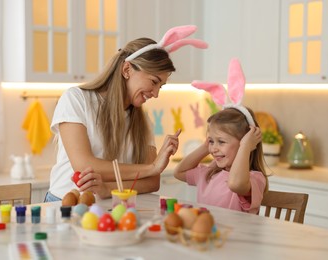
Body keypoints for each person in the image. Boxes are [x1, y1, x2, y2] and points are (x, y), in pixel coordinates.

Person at [45, 25, 208, 202]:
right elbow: (84, 165)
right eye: (153, 82)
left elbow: (152, 183)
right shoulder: (76, 100)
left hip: (110, 208)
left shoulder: (142, 119)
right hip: (64, 205)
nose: (156, 93)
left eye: (160, 86)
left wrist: (108, 189)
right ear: (127, 70)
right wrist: (152, 167)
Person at [174, 59, 268, 214]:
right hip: (210, 236)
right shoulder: (210, 173)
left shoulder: (254, 179)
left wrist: (245, 146)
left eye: (221, 141)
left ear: (246, 143)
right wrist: (206, 146)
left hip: (237, 238)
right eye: (211, 141)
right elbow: (179, 172)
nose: (214, 149)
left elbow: (236, 185)